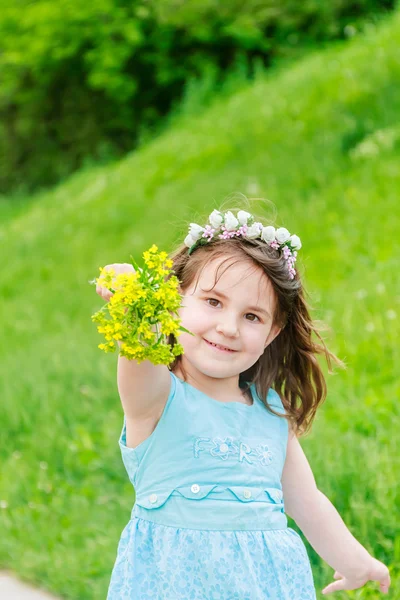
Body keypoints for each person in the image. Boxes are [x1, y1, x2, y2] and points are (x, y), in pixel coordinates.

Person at [96, 208, 391, 599]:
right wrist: (135, 303)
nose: (229, 327)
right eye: (213, 302)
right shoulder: (156, 398)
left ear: (273, 332)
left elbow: (307, 503)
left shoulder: (271, 414)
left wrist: (356, 562)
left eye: (252, 316)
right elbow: (140, 354)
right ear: (174, 299)